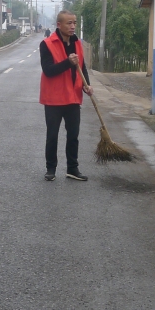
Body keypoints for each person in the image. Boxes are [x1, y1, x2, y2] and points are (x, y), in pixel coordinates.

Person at [40, 10, 93, 182]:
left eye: (74, 23)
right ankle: (51, 168)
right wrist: (67, 62)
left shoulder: (78, 43)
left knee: (73, 135)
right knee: (52, 135)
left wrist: (87, 85)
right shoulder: (47, 44)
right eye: (69, 23)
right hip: (54, 98)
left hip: (73, 97)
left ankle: (72, 168)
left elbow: (81, 67)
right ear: (59, 25)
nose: (72, 26)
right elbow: (48, 71)